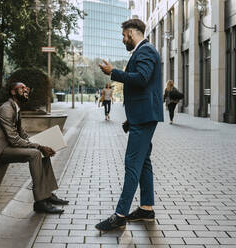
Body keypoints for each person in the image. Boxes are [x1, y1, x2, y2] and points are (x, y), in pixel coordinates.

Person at [96, 18, 164, 231]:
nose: (123, 39)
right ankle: (146, 208)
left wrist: (113, 72)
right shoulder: (144, 51)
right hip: (142, 116)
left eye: (124, 35)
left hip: (144, 118)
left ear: (133, 33)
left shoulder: (145, 51)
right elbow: (142, 88)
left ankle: (120, 215)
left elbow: (142, 79)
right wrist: (131, 115)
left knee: (132, 164)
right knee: (143, 162)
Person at [0, 82, 69, 214]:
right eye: (22, 88)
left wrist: (42, 145)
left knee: (42, 152)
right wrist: (38, 146)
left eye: (27, 88)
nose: (26, 90)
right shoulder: (6, 109)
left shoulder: (16, 108)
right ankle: (40, 202)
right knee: (35, 154)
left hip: (6, 146)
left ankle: (47, 194)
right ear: (13, 92)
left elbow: (22, 133)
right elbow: (14, 138)